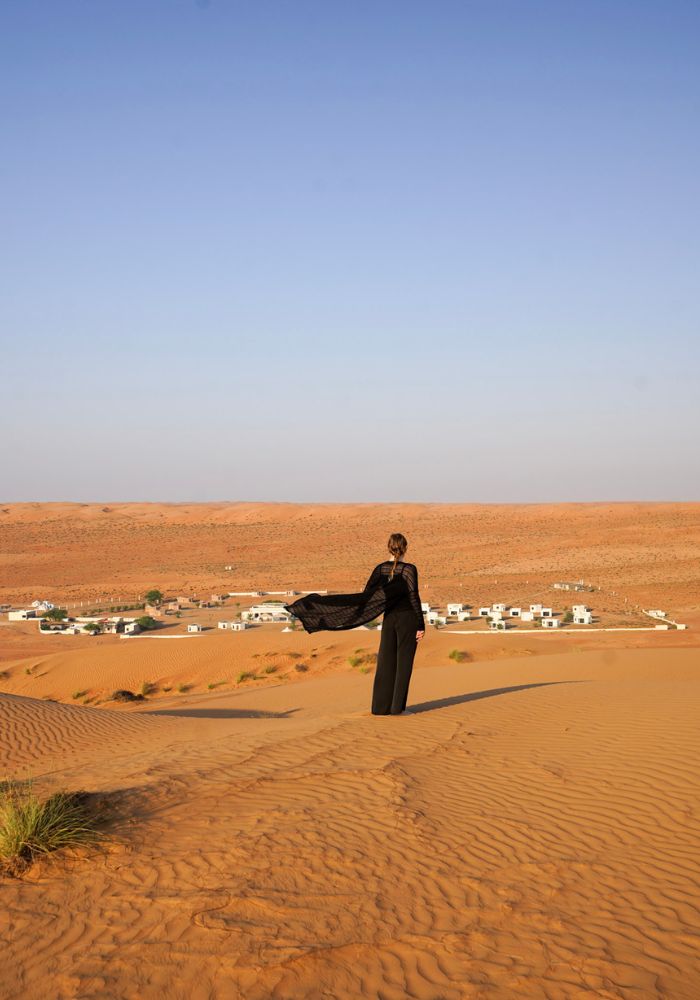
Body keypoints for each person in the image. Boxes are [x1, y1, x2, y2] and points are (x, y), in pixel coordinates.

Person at [284, 532, 425, 715]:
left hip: (389, 619)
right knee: (403, 663)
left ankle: (380, 708)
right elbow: (414, 596)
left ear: (388, 547)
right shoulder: (409, 569)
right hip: (407, 618)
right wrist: (421, 624)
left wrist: (351, 613)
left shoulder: (380, 569)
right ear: (405, 547)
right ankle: (397, 709)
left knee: (386, 662)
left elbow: (367, 595)